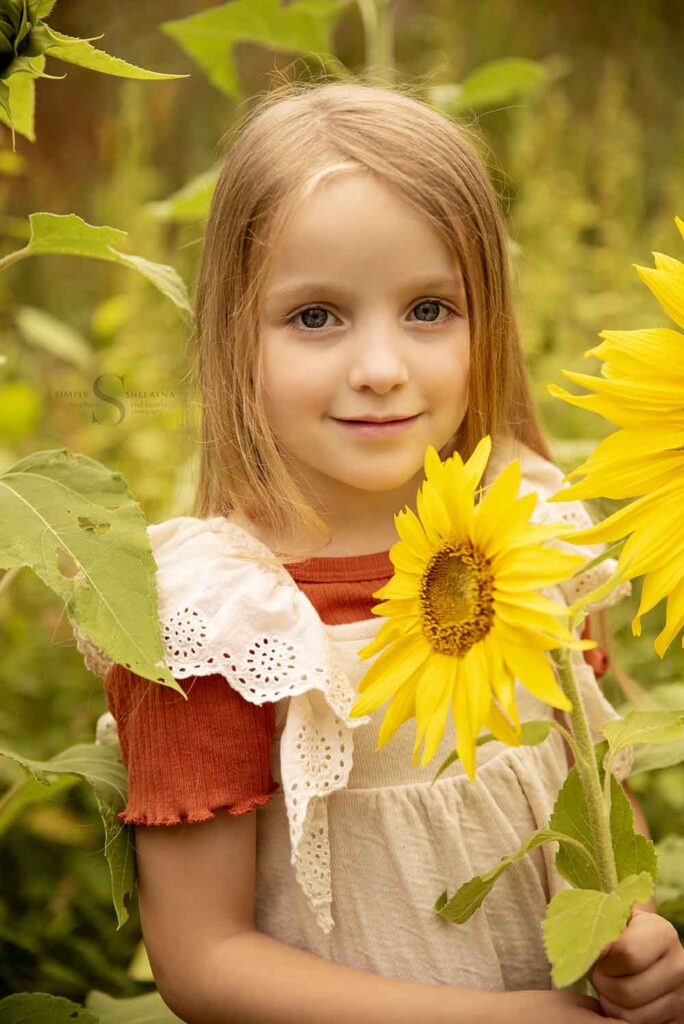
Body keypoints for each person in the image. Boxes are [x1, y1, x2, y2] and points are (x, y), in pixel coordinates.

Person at [75, 80, 684, 1024]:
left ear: (489, 320)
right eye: (315, 316)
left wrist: (631, 932)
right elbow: (204, 962)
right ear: (235, 335)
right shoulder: (218, 620)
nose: (381, 367)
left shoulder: (532, 528)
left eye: (430, 309)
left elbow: (587, 799)